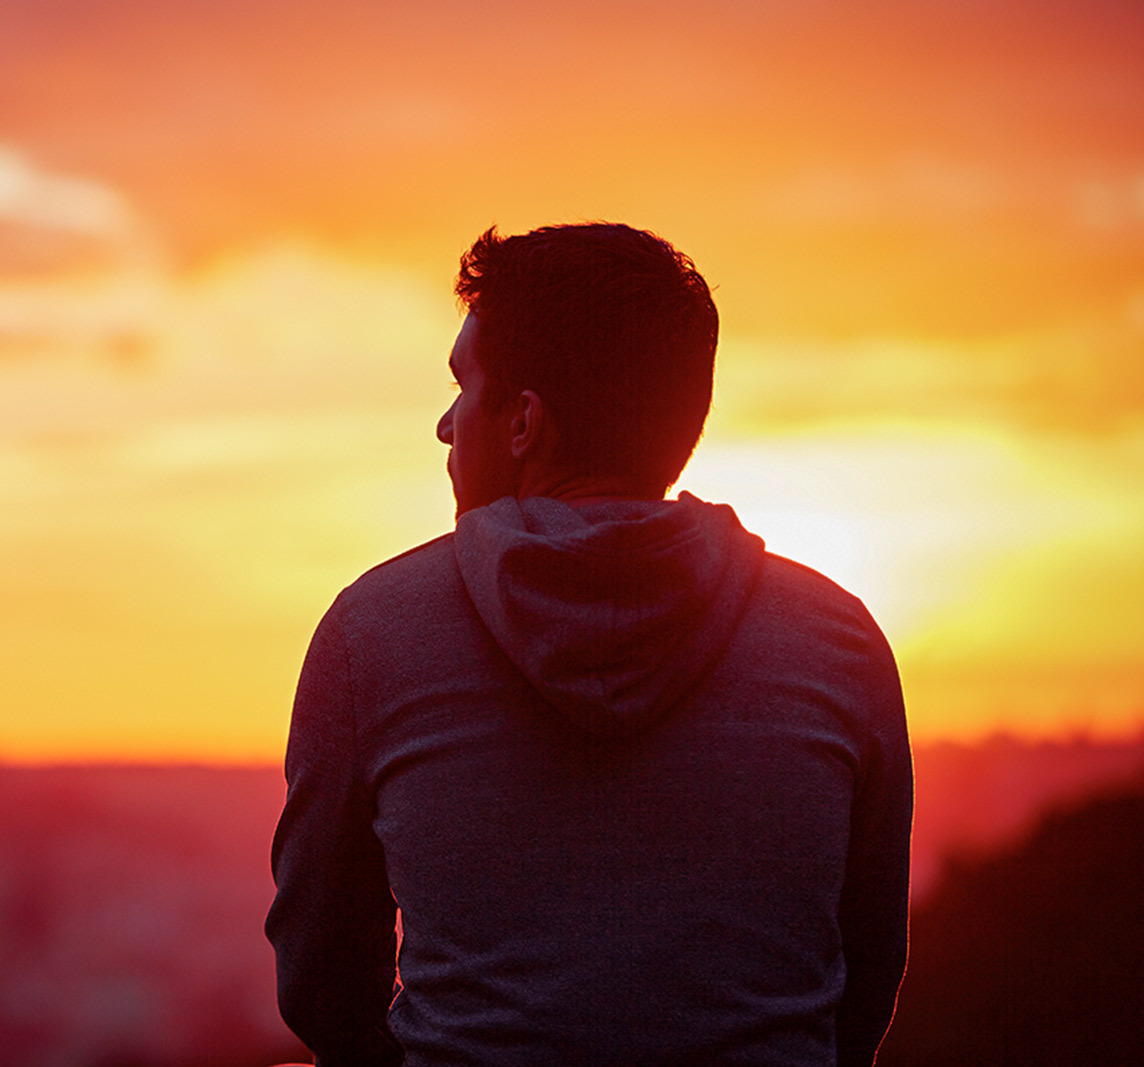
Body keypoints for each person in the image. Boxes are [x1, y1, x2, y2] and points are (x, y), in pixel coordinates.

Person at [266, 223, 911, 1066]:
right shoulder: (841, 642)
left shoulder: (372, 633)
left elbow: (321, 985)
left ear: (526, 422)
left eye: (465, 388)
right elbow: (862, 983)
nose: (444, 425)